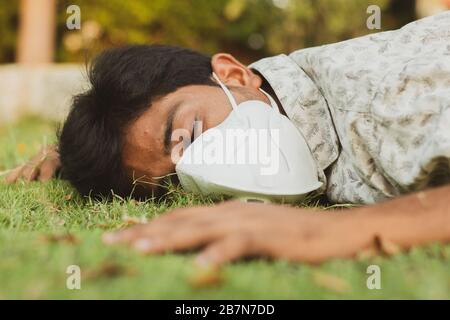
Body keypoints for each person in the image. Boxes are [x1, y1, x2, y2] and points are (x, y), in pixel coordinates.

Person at [5, 12, 450, 266]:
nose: (206, 168)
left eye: (192, 133)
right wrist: (79, 149)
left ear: (234, 74)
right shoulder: (285, 101)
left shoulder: (386, 100)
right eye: (175, 182)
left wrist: (338, 230)